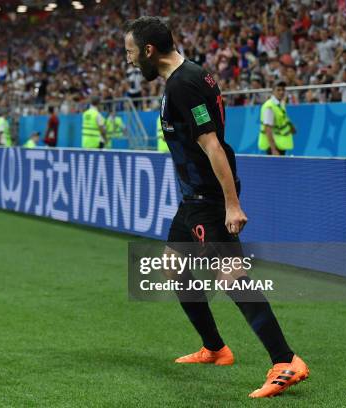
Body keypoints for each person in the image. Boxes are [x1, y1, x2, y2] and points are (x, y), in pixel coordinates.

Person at [123, 17, 308, 399]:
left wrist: (231, 204)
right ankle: (215, 348)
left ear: (148, 51)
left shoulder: (184, 84)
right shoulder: (186, 77)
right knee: (174, 266)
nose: (127, 61)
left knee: (231, 276)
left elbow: (212, 146)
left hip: (209, 199)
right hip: (194, 198)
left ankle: (285, 359)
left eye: (129, 52)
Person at [258, 82, 296, 155]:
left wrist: (292, 127)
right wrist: (273, 149)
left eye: (283, 90)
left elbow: (283, 119)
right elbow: (267, 129)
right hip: (273, 147)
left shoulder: (280, 104)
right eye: (278, 90)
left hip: (280, 145)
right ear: (273, 91)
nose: (281, 92)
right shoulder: (269, 106)